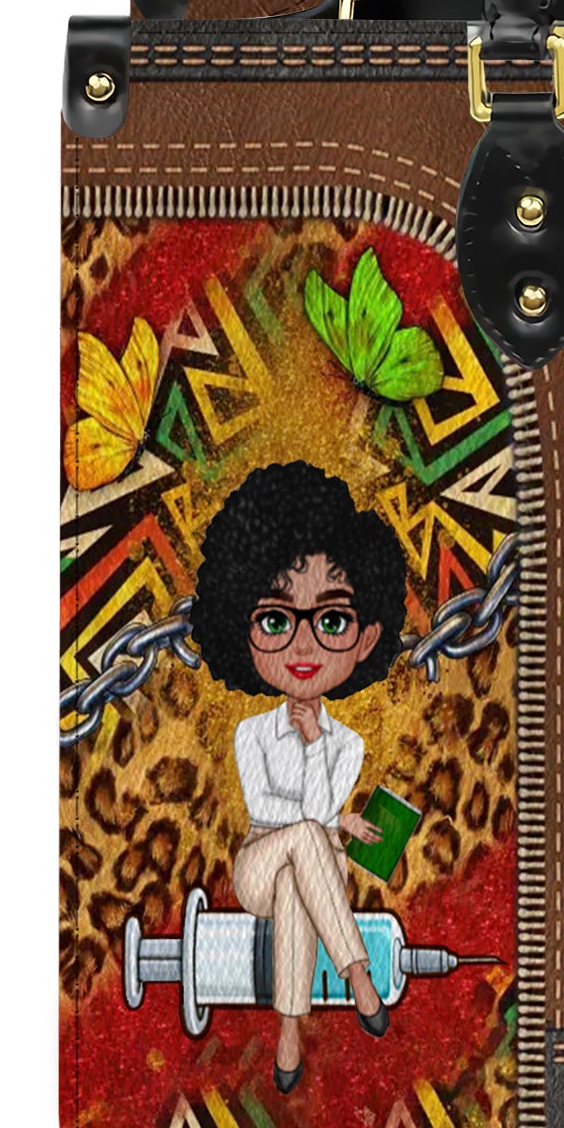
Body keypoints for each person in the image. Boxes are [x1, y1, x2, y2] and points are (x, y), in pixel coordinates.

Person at [190, 461, 411, 1093]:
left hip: (313, 876)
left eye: (332, 621)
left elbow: (315, 815)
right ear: (242, 628)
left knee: (299, 880)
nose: (304, 646)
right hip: (258, 862)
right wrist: (332, 815)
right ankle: (358, 975)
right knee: (300, 848)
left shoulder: (349, 743)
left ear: (366, 639)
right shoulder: (252, 734)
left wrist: (317, 749)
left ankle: (288, 1033)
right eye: (276, 621)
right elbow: (273, 810)